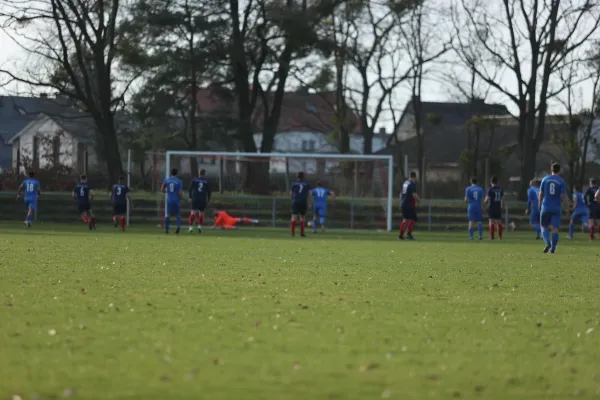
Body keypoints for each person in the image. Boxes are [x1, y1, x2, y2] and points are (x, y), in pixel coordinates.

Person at [539, 163, 568, 253]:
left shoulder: (545, 179)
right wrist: (566, 207)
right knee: (555, 228)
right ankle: (553, 248)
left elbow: (541, 193)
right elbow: (563, 196)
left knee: (544, 226)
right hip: (556, 207)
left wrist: (539, 204)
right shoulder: (561, 181)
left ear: (551, 169)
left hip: (545, 206)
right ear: (559, 170)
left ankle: (547, 242)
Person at [188, 169, 212, 233]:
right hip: (202, 199)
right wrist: (208, 199)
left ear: (199, 173)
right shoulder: (206, 181)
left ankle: (190, 227)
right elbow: (209, 192)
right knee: (201, 213)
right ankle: (200, 227)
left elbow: (190, 189)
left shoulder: (194, 180)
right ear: (204, 174)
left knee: (193, 212)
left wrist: (190, 197)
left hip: (195, 198)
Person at [161, 168, 183, 234]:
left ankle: (166, 230)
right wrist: (180, 198)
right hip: (176, 199)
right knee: (177, 214)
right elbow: (180, 192)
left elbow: (162, 189)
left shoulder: (166, 180)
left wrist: (167, 192)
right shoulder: (179, 181)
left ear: (171, 173)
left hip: (169, 199)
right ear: (177, 173)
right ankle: (178, 227)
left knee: (168, 215)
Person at [399, 172, 419, 240]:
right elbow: (414, 195)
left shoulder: (405, 183)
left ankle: (401, 236)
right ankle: (408, 235)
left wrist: (401, 202)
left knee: (405, 219)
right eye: (415, 178)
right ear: (414, 177)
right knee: (413, 219)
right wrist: (419, 200)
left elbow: (401, 194)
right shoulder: (412, 184)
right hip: (409, 205)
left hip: (404, 204)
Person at [290, 172, 310, 237]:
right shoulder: (306, 184)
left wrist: (292, 199)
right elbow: (309, 194)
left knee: (293, 217)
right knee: (302, 217)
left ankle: (292, 233)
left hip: (295, 201)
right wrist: (309, 202)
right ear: (303, 177)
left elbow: (291, 194)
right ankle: (302, 233)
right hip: (303, 201)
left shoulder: (294, 183)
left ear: (297, 176)